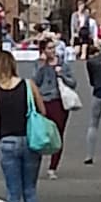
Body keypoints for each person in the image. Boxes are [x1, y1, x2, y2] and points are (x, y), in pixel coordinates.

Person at [0, 50, 47, 202]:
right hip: (30, 140)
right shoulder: (28, 84)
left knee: (13, 192)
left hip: (7, 141)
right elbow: (42, 111)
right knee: (29, 190)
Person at [34, 39, 77, 179]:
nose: (52, 51)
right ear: (43, 51)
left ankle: (53, 167)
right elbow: (35, 82)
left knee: (58, 133)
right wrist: (42, 65)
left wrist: (62, 75)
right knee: (41, 134)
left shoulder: (63, 65)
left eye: (53, 48)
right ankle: (35, 164)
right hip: (45, 101)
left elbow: (73, 82)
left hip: (59, 101)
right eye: (49, 48)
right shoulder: (40, 65)